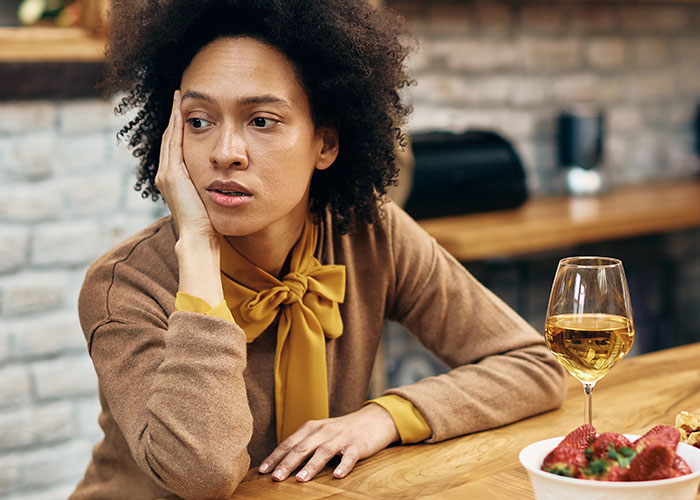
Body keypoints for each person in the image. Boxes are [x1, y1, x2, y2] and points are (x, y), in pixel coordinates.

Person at [70, 0, 567, 499]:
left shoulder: (369, 234)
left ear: (325, 144)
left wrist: (384, 417)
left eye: (261, 121)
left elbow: (532, 365)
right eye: (199, 121)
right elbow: (200, 475)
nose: (225, 152)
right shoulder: (124, 286)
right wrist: (198, 250)